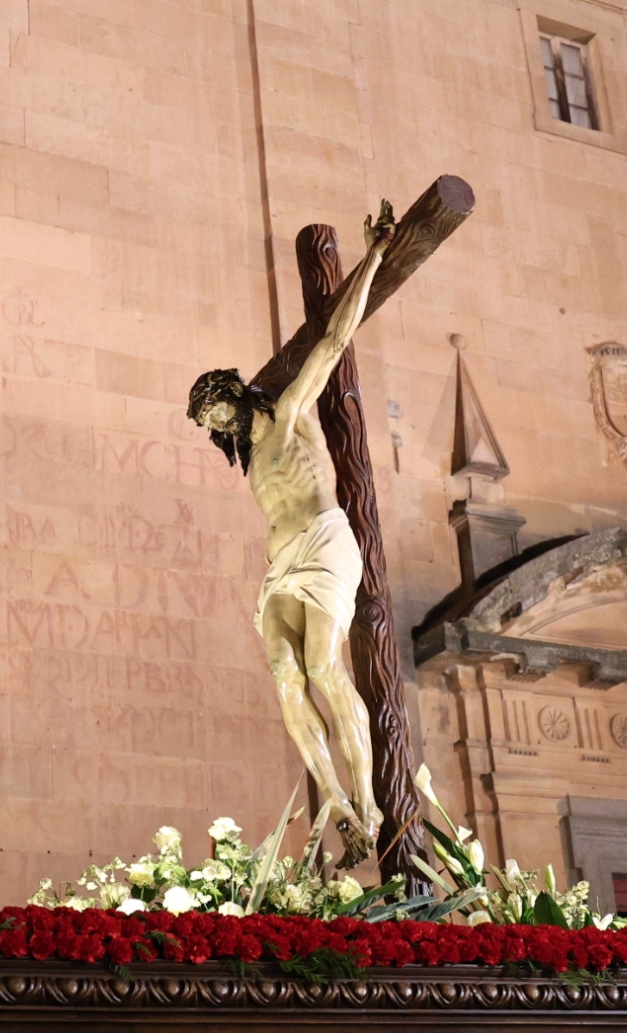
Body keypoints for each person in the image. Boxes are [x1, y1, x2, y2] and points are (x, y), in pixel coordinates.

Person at [187, 202, 395, 867]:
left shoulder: (290, 413)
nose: (213, 423)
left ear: (233, 392)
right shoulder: (252, 461)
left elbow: (332, 341)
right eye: (206, 422)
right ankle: (332, 797)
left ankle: (368, 801)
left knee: (324, 667)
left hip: (325, 543)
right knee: (283, 671)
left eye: (214, 408)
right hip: (281, 563)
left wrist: (375, 256)